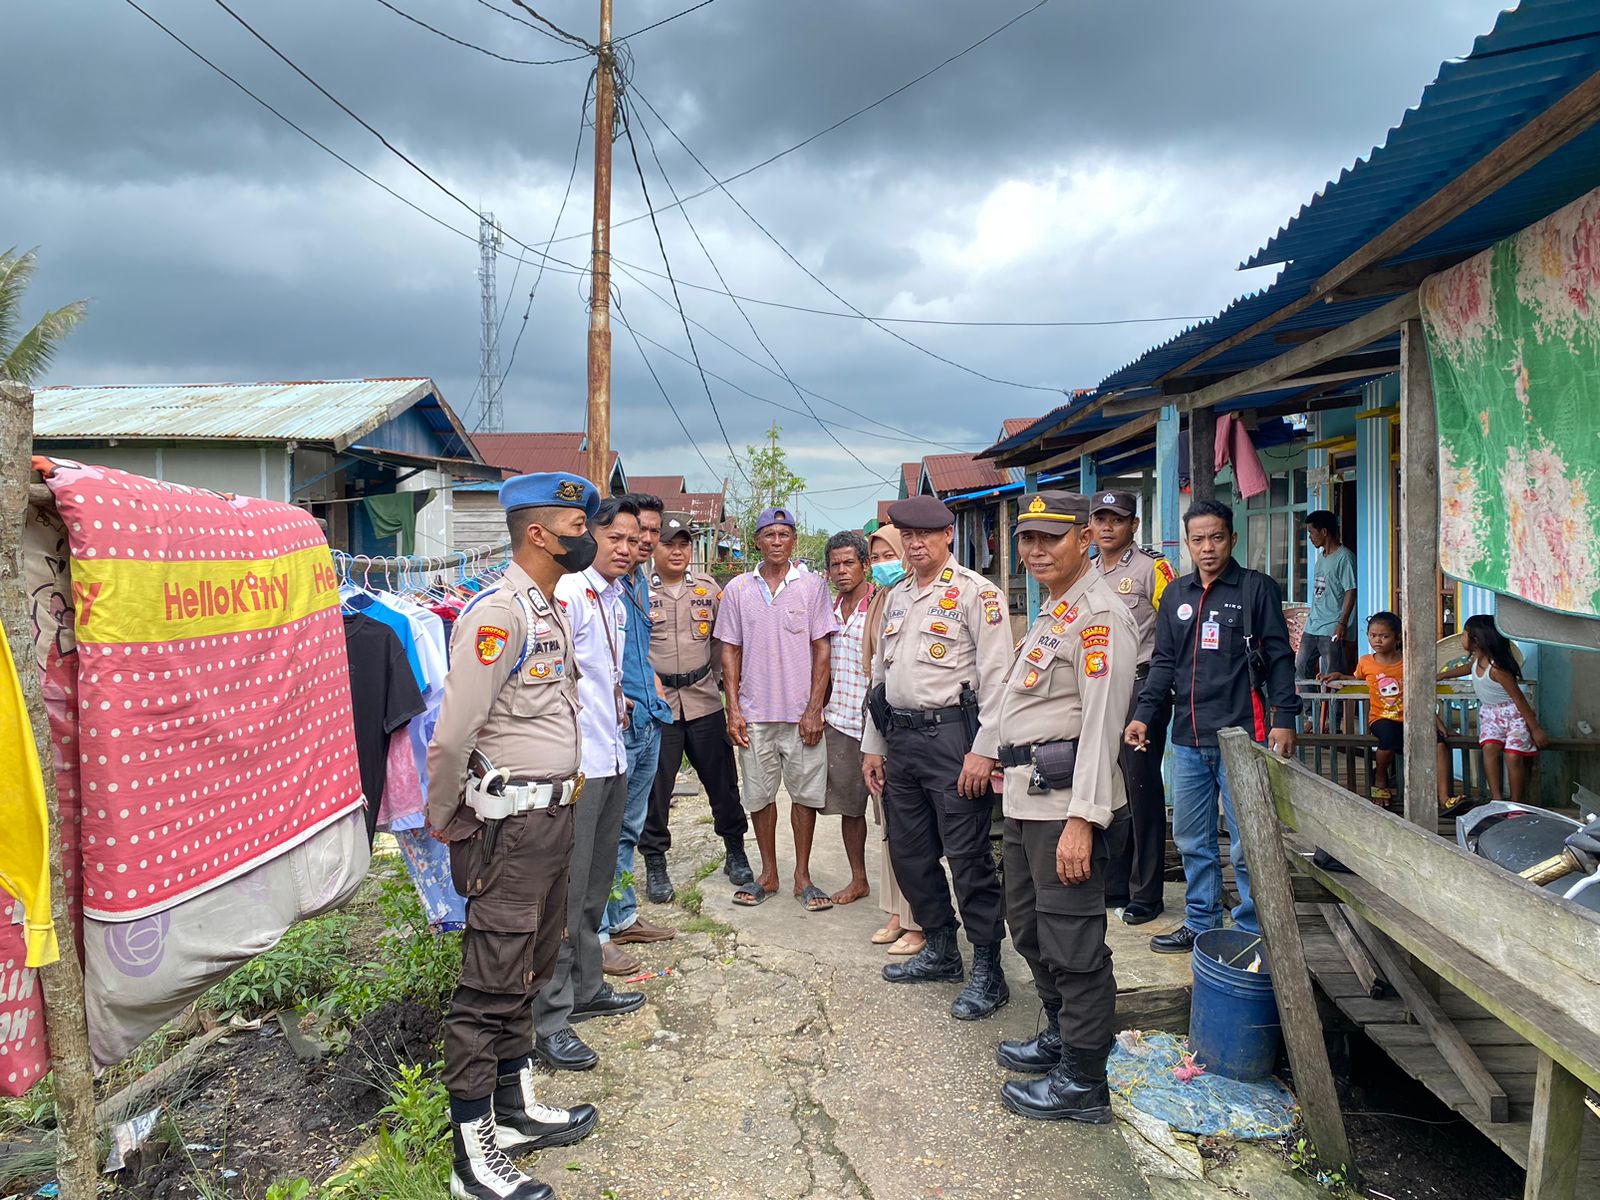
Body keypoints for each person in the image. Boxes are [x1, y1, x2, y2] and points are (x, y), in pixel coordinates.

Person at [425, 471, 600, 1200]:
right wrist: (444, 819)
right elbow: (454, 733)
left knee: (532, 964)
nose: (586, 536)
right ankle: (473, 1161)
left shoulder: (548, 608)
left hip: (551, 818)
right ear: (539, 533)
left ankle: (515, 1109)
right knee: (489, 986)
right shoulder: (498, 614)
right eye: (576, 526)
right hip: (512, 825)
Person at [990, 491, 1137, 1123]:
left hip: (1067, 809)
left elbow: (1104, 724)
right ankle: (1059, 1033)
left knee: (1073, 942)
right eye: (1028, 539)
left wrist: (1084, 818)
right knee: (1027, 927)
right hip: (1028, 799)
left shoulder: (1100, 615)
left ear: (1083, 538)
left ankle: (1083, 1079)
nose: (1037, 550)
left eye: (1051, 538)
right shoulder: (1056, 611)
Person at [860, 494, 1013, 1021]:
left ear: (948, 535)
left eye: (926, 534)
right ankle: (942, 949)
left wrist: (984, 752)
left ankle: (989, 970)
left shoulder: (976, 594)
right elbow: (880, 677)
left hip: (954, 742)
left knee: (968, 858)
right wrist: (873, 746)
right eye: (908, 535)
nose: (916, 543)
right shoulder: (897, 595)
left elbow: (998, 680)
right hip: (899, 741)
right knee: (909, 853)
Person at [1124, 500, 1299, 955]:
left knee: (1245, 841)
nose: (1208, 547)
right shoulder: (1177, 595)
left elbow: (1280, 656)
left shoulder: (1257, 589)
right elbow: (1164, 662)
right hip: (1186, 736)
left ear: (1233, 539)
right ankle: (1200, 922)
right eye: (1198, 539)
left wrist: (1285, 717)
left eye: (1216, 537)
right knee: (1191, 837)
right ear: (1187, 544)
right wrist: (1143, 713)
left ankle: (1248, 928)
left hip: (1244, 734)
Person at [533, 497, 647, 1072]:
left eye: (633, 540)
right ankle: (550, 1018)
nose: (626, 549)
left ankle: (587, 988)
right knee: (564, 895)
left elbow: (600, 673)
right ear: (590, 540)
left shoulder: (616, 598)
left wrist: (619, 701)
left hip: (611, 756)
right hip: (576, 768)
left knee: (596, 883)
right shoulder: (569, 594)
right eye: (614, 538)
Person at [714, 505, 837, 909]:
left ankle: (803, 876)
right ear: (757, 541)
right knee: (759, 796)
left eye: (785, 535)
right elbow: (729, 651)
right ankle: (768, 874)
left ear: (794, 541)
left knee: (804, 796)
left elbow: (823, 649)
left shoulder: (814, 587)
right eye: (770, 535)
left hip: (802, 715)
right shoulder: (737, 590)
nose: (777, 542)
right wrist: (734, 709)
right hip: (755, 714)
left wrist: (814, 708)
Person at [640, 512, 753, 900]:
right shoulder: (638, 591)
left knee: (723, 783)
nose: (676, 550)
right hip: (659, 707)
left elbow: (724, 644)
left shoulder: (706, 589)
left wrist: (726, 691)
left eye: (683, 544)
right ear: (653, 547)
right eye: (668, 543)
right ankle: (656, 862)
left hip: (704, 700)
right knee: (657, 789)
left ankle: (735, 850)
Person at [1089, 489, 1175, 926]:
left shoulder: (1152, 569)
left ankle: (1146, 893)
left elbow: (1177, 626)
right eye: (1100, 518)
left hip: (1143, 689)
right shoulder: (1086, 571)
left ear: (1133, 525)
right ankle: (1114, 882)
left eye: (1117, 519)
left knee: (1141, 790)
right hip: (1098, 689)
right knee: (1105, 785)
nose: (1107, 527)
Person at [599, 492, 677, 966]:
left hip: (647, 718)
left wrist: (654, 685)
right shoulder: (589, 588)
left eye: (649, 532)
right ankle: (600, 932)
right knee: (605, 831)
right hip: (615, 724)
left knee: (629, 826)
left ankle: (624, 916)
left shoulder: (637, 583)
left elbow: (638, 648)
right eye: (631, 534)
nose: (644, 541)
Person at [861, 525, 924, 957]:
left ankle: (920, 920)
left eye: (889, 553)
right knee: (888, 827)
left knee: (915, 834)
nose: (883, 562)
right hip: (884, 725)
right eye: (877, 555)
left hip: (922, 728)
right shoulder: (884, 598)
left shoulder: (914, 596)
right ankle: (898, 912)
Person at [1318, 611, 1457, 806]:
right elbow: (1358, 679)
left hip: (1411, 718)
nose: (1378, 640)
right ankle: (1381, 780)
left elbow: (1419, 693)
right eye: (1373, 635)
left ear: (1398, 638)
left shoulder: (1408, 662)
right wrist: (1340, 675)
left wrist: (1436, 721)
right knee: (1389, 739)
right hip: (1380, 718)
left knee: (1439, 743)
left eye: (1384, 636)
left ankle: (1444, 797)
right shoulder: (1366, 661)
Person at [1441, 614, 1549, 804]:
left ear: (1476, 640)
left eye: (1465, 634)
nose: (1462, 638)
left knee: (1513, 756)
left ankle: (1516, 803)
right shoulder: (1477, 661)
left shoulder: (1497, 669)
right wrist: (1442, 675)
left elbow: (1519, 699)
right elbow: (1467, 668)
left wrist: (1535, 729)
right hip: (1490, 715)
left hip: (1513, 716)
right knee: (1490, 748)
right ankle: (1496, 799)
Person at [820, 530, 875, 906]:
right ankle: (859, 879)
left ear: (864, 566)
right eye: (835, 564)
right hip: (839, 722)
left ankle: (905, 897)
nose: (841, 570)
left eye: (849, 563)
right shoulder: (829, 609)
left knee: (894, 817)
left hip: (879, 726)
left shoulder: (882, 604)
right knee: (851, 809)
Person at [1298, 511, 1357, 730]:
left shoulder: (1345, 557)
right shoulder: (1321, 557)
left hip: (1332, 625)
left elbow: (1351, 591)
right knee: (1301, 666)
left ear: (1324, 532)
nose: (1310, 537)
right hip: (1314, 623)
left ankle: (1333, 721)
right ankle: (1312, 716)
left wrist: (1342, 623)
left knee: (1333, 673)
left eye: (1312, 532)